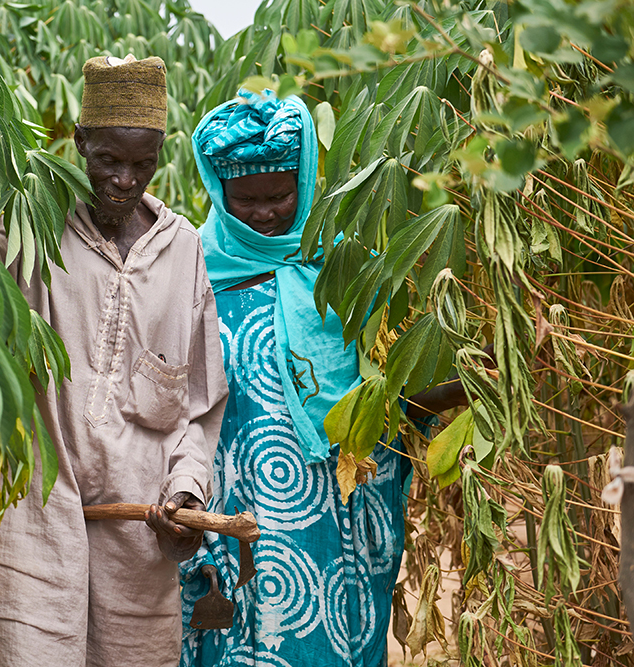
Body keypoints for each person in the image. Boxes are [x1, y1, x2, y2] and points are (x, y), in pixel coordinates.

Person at [178, 89, 458, 667]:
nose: (263, 214)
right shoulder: (190, 273)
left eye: (279, 197)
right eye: (245, 200)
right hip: (231, 519)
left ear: (304, 183)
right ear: (217, 190)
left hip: (334, 515)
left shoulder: (348, 270)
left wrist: (470, 384)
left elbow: (390, 397)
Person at [0, 55, 229, 667]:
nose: (123, 180)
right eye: (107, 160)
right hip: (33, 511)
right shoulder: (32, 229)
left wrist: (187, 496)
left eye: (142, 164)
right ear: (79, 142)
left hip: (137, 534)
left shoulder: (183, 252)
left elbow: (197, 407)